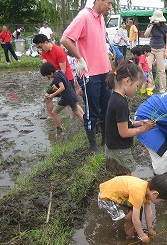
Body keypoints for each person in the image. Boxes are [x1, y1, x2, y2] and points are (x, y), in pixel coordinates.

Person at [60, 0, 113, 152]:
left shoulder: (101, 17)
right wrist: (80, 58)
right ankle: (93, 145)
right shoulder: (84, 16)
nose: (110, 6)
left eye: (112, 3)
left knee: (106, 107)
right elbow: (65, 39)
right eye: (108, 2)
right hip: (90, 73)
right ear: (97, 1)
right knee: (92, 110)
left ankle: (104, 140)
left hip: (104, 70)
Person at [105, 59, 156, 176]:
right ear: (127, 81)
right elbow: (124, 132)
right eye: (137, 85)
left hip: (115, 148)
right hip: (119, 151)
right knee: (126, 180)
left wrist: (139, 123)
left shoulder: (116, 97)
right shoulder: (120, 103)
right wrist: (144, 129)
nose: (136, 89)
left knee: (122, 180)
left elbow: (121, 122)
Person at [98, 174, 167, 243]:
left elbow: (148, 211)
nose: (160, 203)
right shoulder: (139, 193)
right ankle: (128, 237)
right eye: (161, 201)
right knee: (129, 218)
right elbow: (135, 219)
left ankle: (131, 229)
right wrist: (142, 235)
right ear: (155, 193)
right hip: (107, 198)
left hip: (118, 194)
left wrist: (150, 228)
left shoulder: (148, 189)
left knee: (137, 210)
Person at [40, 62, 84, 131]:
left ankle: (59, 128)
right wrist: (55, 90)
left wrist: (52, 95)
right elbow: (65, 87)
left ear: (51, 73)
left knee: (54, 112)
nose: (48, 77)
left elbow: (62, 88)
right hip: (72, 95)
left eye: (47, 75)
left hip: (66, 98)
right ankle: (88, 126)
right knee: (77, 112)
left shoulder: (56, 77)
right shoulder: (60, 72)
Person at [144, 10, 167, 93]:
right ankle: (151, 85)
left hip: (160, 49)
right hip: (151, 49)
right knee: (148, 68)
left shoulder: (165, 27)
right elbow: (146, 35)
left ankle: (162, 88)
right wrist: (151, 25)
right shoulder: (151, 25)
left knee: (161, 70)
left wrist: (166, 51)